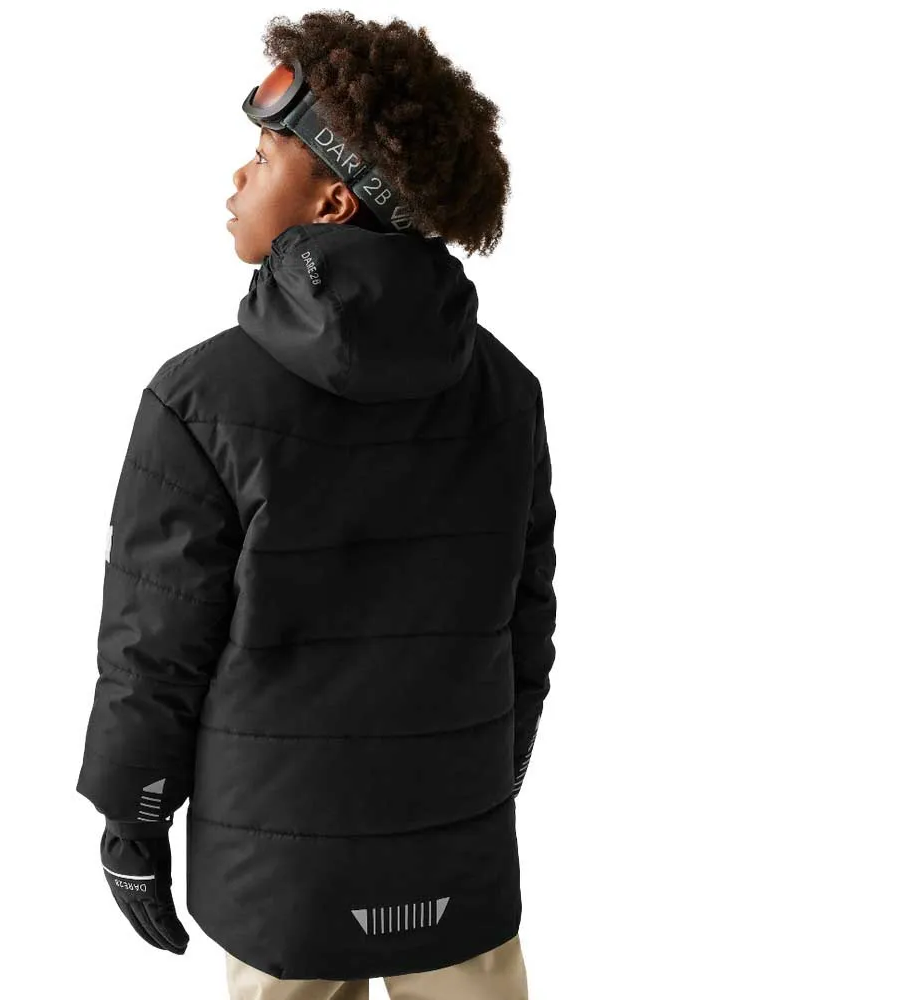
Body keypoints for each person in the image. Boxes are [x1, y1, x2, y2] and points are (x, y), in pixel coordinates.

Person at [75, 12, 557, 999]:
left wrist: (134, 816)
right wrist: (494, 772)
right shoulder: (505, 391)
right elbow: (525, 617)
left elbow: (155, 645)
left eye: (262, 157)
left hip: (279, 869)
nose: (236, 178)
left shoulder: (199, 399)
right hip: (452, 845)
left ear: (333, 199)